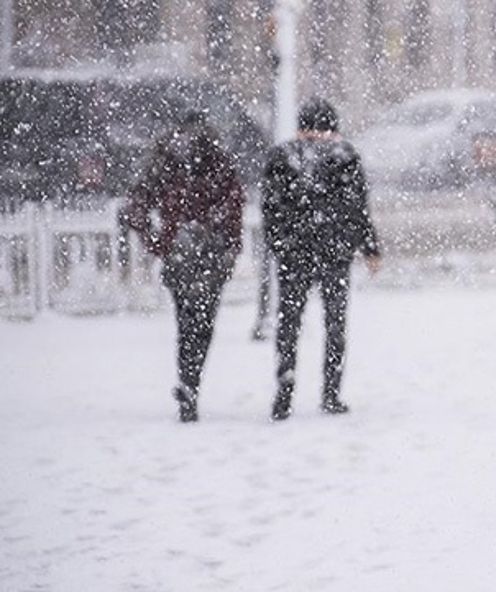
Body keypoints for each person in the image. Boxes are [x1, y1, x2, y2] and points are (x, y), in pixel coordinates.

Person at [119, 111, 244, 423]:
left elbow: (137, 204)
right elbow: (234, 206)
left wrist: (157, 240)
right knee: (203, 323)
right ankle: (192, 382)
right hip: (211, 252)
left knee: (186, 322)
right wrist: (230, 245)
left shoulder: (165, 158)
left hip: (179, 251)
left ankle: (188, 382)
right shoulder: (218, 160)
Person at [261, 98, 382, 421]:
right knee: (335, 323)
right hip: (334, 253)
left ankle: (284, 388)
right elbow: (358, 209)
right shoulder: (344, 156)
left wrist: (280, 245)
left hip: (295, 254)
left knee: (289, 322)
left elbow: (270, 208)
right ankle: (331, 392)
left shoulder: (281, 157)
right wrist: (369, 247)